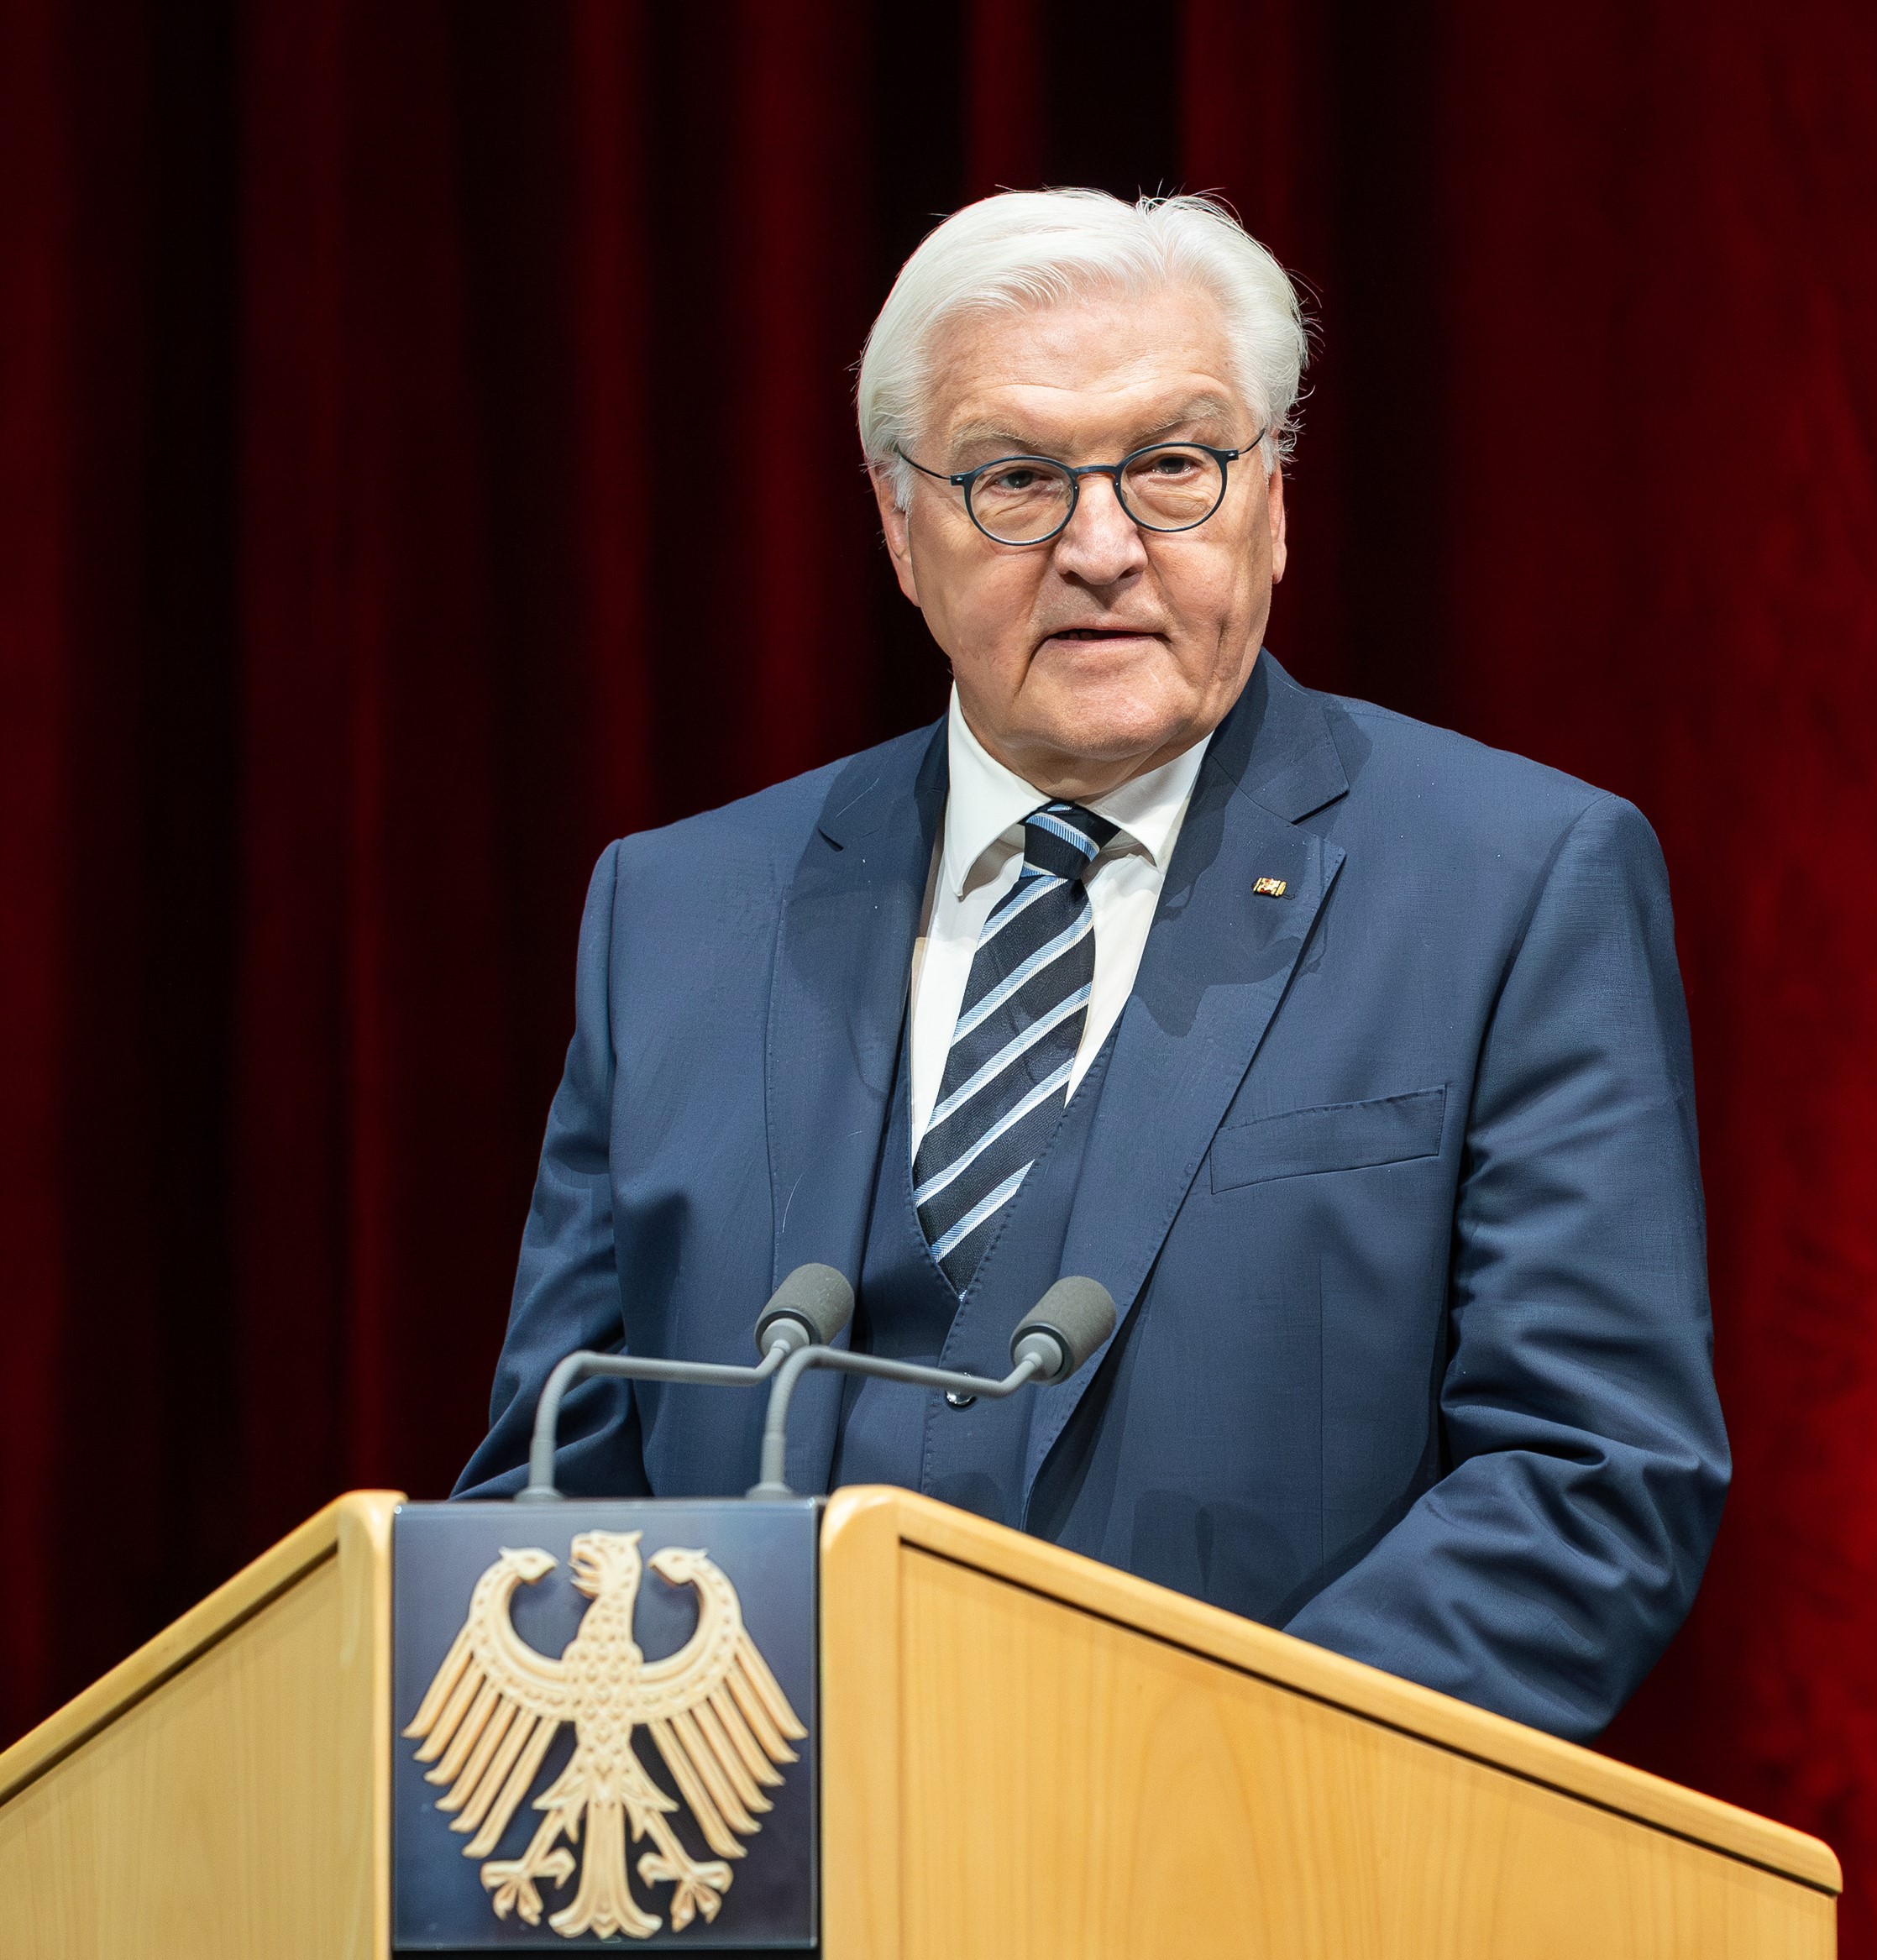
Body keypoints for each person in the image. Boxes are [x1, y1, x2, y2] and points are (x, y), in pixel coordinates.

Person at [456, 189, 1728, 1744]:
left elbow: (1588, 1477)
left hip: (1260, 1842)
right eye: (1014, 479)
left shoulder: (1511, 883)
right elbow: (555, 1478)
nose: (1102, 549)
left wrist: (1185, 1795)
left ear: (1272, 504)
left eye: (1173, 466)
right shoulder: (674, 911)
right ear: (896, 524)